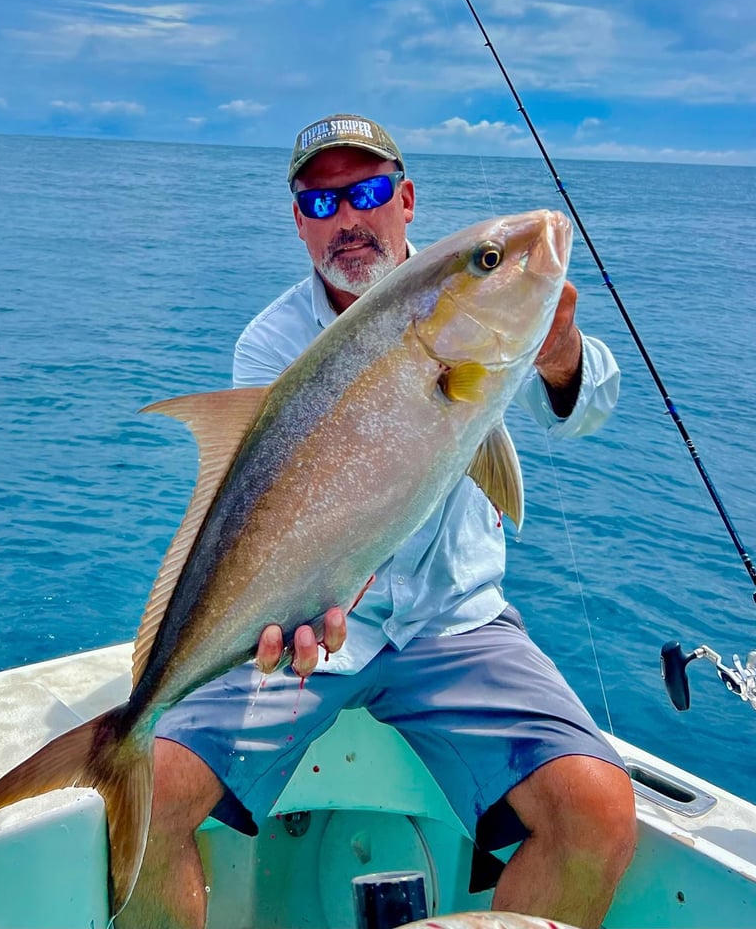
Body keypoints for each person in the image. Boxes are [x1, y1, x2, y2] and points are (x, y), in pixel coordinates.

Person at [120, 114, 636, 929]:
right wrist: (279, 614)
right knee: (153, 794)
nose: (346, 219)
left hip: (455, 625)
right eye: (320, 203)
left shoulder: (480, 320)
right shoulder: (273, 341)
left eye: (364, 193)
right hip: (313, 637)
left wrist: (560, 349)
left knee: (598, 812)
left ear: (404, 200)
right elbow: (267, 516)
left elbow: (587, 409)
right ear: (297, 221)